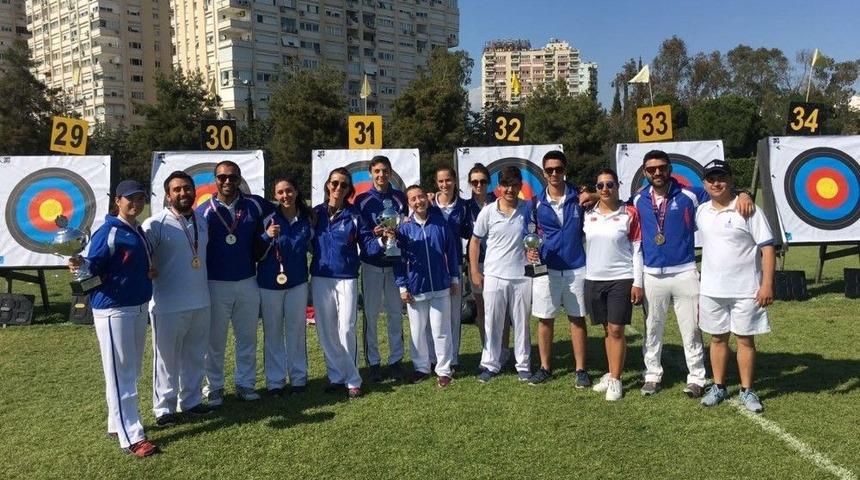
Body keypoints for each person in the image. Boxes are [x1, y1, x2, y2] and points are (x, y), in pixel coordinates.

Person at [633, 150, 754, 397]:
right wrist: (592, 194)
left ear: (670, 169)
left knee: (691, 328)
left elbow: (722, 194)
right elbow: (611, 204)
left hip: (685, 271)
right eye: (652, 169)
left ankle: (697, 376)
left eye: (662, 167)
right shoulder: (637, 199)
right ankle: (652, 375)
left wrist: (744, 193)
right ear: (645, 172)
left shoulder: (690, 193)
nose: (657, 172)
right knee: (652, 328)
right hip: (652, 274)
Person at [72, 179, 156, 457]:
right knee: (122, 374)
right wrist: (79, 264)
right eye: (130, 198)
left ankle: (115, 423)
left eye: (140, 198)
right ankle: (131, 436)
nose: (136, 203)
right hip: (113, 308)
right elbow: (89, 270)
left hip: (137, 306)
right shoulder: (107, 231)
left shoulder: (136, 229)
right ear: (117, 201)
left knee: (128, 371)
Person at [696, 160, 775, 413]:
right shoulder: (701, 211)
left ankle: (747, 390)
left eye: (721, 177)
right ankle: (718, 386)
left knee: (745, 340)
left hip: (746, 290)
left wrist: (767, 285)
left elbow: (767, 247)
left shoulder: (748, 209)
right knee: (717, 339)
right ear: (704, 183)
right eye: (711, 178)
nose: (716, 183)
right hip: (711, 289)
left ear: (730, 180)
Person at [197, 161, 271, 405]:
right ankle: (215, 386)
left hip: (248, 281)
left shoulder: (255, 204)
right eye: (222, 177)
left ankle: (245, 383)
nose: (227, 181)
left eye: (232, 177)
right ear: (214, 180)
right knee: (214, 340)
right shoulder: (203, 210)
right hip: (215, 283)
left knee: (247, 337)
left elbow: (284, 208)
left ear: (239, 179)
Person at [143, 171, 213, 426]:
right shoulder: (154, 224)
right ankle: (164, 408)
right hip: (167, 305)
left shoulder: (203, 221)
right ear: (167, 195)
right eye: (177, 190)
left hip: (200, 300)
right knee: (166, 360)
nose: (183, 193)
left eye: (187, 188)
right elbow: (141, 256)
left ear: (195, 191)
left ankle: (192, 401)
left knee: (195, 355)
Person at [525, 151, 589, 388]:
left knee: (577, 319)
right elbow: (528, 235)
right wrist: (529, 251)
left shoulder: (580, 198)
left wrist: (590, 193)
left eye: (558, 169)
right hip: (546, 269)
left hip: (576, 267)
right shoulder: (535, 203)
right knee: (545, 319)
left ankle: (581, 369)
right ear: (543, 172)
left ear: (565, 170)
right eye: (549, 170)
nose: (554, 173)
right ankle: (545, 367)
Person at [583, 169, 644, 401]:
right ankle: (611, 372)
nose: (605, 189)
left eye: (609, 184)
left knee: (617, 329)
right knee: (607, 329)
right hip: (594, 279)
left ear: (618, 186)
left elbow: (637, 249)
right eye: (600, 186)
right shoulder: (587, 213)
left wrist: (637, 282)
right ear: (596, 189)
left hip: (621, 278)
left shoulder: (630, 212)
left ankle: (616, 380)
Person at [469, 166, 532, 383]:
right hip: (494, 275)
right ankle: (490, 364)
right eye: (506, 185)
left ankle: (523, 365)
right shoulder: (488, 211)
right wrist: (475, 270)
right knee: (492, 322)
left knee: (521, 322)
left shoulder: (527, 208)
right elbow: (475, 241)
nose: (510, 189)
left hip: (522, 276)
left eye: (515, 185)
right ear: (498, 187)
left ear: (520, 186)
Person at [393, 185, 460, 387]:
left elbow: (452, 251)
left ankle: (444, 370)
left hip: (440, 286)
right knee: (418, 331)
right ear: (409, 204)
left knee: (441, 330)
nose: (418, 201)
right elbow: (399, 260)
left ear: (427, 198)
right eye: (413, 199)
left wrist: (455, 279)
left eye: (421, 196)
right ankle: (421, 368)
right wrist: (402, 287)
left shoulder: (440, 224)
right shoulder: (403, 229)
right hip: (416, 289)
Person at [257, 177, 313, 396]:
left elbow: (313, 247)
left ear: (296, 192)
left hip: (297, 282)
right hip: (269, 283)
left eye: (289, 191)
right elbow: (256, 251)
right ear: (275, 195)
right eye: (280, 192)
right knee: (272, 333)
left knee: (296, 330)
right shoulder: (268, 218)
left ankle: (298, 377)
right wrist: (266, 235)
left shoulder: (307, 218)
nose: (285, 196)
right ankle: (275, 382)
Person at [311, 168, 365, 399]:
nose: (338, 189)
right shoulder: (314, 214)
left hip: (346, 277)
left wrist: (384, 242)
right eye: (335, 183)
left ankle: (353, 379)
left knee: (346, 328)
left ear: (349, 190)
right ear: (327, 185)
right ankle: (335, 376)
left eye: (343, 185)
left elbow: (368, 242)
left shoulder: (355, 214)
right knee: (326, 330)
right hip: (321, 276)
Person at [354, 155, 408, 382]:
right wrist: (375, 235)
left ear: (390, 172)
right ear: (370, 173)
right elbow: (361, 234)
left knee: (396, 314)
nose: (381, 175)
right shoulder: (362, 200)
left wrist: (397, 235)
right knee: (372, 315)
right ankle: (373, 363)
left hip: (395, 264)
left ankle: (396, 361)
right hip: (372, 264)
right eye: (377, 171)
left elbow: (407, 226)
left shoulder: (400, 198)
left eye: (385, 171)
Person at [464, 163, 512, 363]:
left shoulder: (499, 201)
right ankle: (488, 349)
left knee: (504, 309)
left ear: (489, 182)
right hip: (477, 263)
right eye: (474, 181)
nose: (479, 185)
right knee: (483, 309)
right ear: (469, 183)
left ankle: (504, 350)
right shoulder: (465, 207)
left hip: (501, 264)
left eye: (483, 181)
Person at [427, 166, 470, 371]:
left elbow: (470, 232)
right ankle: (432, 358)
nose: (445, 185)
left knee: (453, 314)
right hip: (431, 267)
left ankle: (452, 358)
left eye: (448, 180)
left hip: (454, 266)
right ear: (436, 183)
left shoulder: (463, 206)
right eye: (441, 181)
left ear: (454, 181)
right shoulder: (428, 204)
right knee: (431, 315)